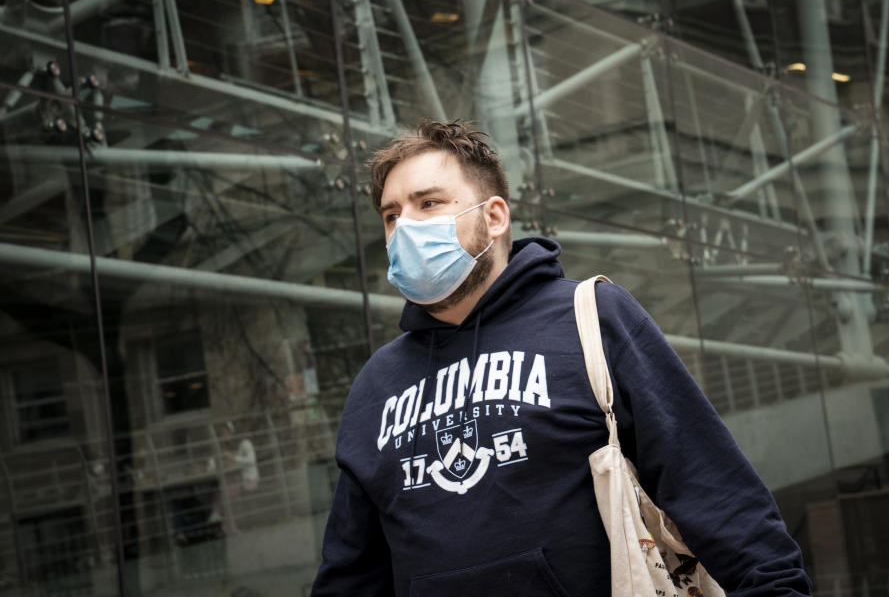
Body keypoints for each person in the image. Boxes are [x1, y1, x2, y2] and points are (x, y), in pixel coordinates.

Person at [311, 120, 812, 596]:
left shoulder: (592, 317)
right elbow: (352, 569)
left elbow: (710, 487)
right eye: (392, 215)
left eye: (429, 203)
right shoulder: (377, 385)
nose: (407, 228)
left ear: (494, 216)